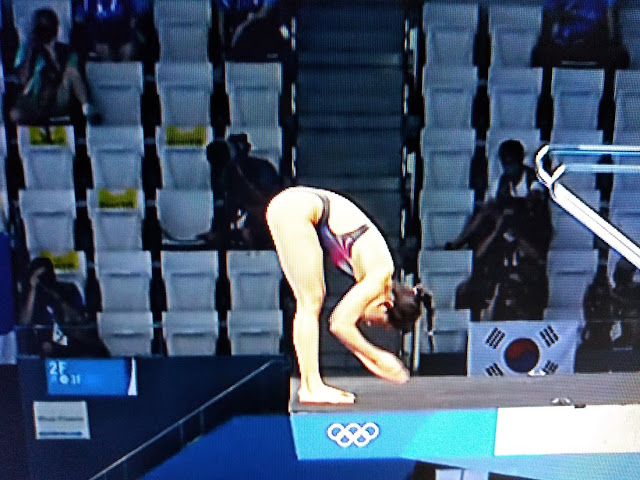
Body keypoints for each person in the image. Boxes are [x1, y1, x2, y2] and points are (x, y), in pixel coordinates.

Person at [266, 186, 428, 404]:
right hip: (297, 208)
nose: (368, 323)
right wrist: (379, 356)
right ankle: (311, 386)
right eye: (379, 323)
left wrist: (374, 363)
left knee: (311, 299)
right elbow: (339, 324)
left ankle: (311, 385)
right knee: (311, 300)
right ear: (386, 305)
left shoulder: (375, 272)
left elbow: (344, 332)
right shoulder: (380, 274)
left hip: (296, 207)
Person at [11, 8, 97, 125]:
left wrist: (51, 55)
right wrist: (31, 49)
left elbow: (71, 74)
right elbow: (23, 79)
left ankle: (87, 110)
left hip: (58, 95)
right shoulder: (28, 52)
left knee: (71, 72)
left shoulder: (67, 51)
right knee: (16, 113)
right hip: (35, 97)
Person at [18, 257, 109, 358]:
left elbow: (79, 318)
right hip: (47, 342)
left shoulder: (69, 289)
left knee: (98, 350)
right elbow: (24, 322)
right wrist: (32, 288)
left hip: (71, 337)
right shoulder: (32, 297)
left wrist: (59, 299)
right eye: (38, 277)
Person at [532, 0, 629, 67]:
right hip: (565, 43)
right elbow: (549, 15)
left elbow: (611, 12)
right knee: (540, 55)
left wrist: (612, 39)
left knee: (619, 56)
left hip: (594, 43)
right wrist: (562, 16)